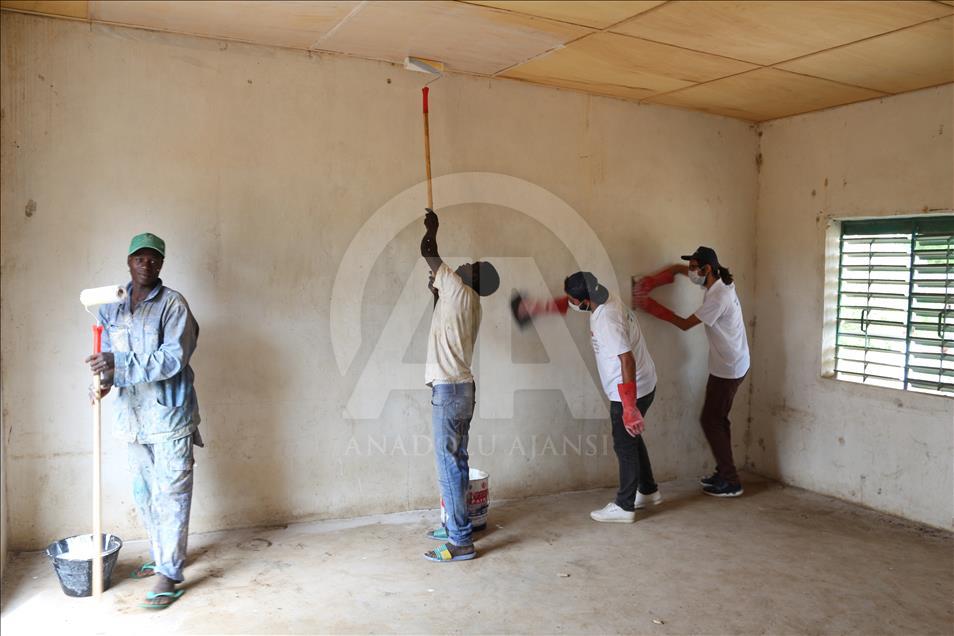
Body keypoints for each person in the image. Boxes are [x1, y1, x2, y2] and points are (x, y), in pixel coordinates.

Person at [86, 232, 201, 607]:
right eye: (140, 258)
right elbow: (106, 357)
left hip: (169, 414)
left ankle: (169, 573)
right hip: (132, 419)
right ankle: (161, 553)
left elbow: (172, 359)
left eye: (154, 259)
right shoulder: (110, 305)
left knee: (171, 493)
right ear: (129, 261)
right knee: (145, 494)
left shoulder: (173, 305)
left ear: (162, 264)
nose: (146, 264)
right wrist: (102, 382)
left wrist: (119, 364)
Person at [634, 246, 749, 497]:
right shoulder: (719, 282)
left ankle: (731, 482)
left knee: (711, 420)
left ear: (708, 269)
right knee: (718, 420)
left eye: (695, 267)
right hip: (729, 363)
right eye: (691, 267)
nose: (691, 272)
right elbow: (677, 269)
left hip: (728, 368)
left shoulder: (719, 297)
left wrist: (648, 305)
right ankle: (725, 472)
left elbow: (685, 324)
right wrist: (650, 282)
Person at [420, 209, 500, 562]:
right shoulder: (470, 301)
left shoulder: (458, 287)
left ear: (474, 278)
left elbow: (427, 251)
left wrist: (432, 228)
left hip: (450, 391)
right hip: (463, 389)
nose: (467, 265)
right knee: (459, 461)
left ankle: (460, 542)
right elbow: (441, 309)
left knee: (449, 465)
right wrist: (436, 291)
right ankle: (457, 525)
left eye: (473, 266)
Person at [564, 272, 662, 523]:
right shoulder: (607, 297)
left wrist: (629, 407)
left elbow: (626, 359)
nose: (570, 304)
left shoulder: (606, 319)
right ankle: (648, 490)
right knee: (632, 438)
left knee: (624, 444)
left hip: (630, 388)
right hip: (644, 381)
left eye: (572, 301)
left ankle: (625, 506)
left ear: (585, 301)